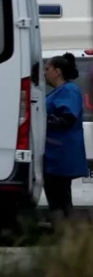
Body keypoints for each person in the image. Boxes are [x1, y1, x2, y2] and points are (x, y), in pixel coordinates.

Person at [43, 52, 87, 229]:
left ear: (57, 72)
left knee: (60, 199)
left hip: (61, 156)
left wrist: (45, 120)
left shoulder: (69, 91)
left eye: (47, 69)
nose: (45, 73)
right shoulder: (59, 91)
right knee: (57, 198)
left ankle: (66, 237)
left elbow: (67, 118)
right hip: (55, 156)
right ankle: (64, 237)